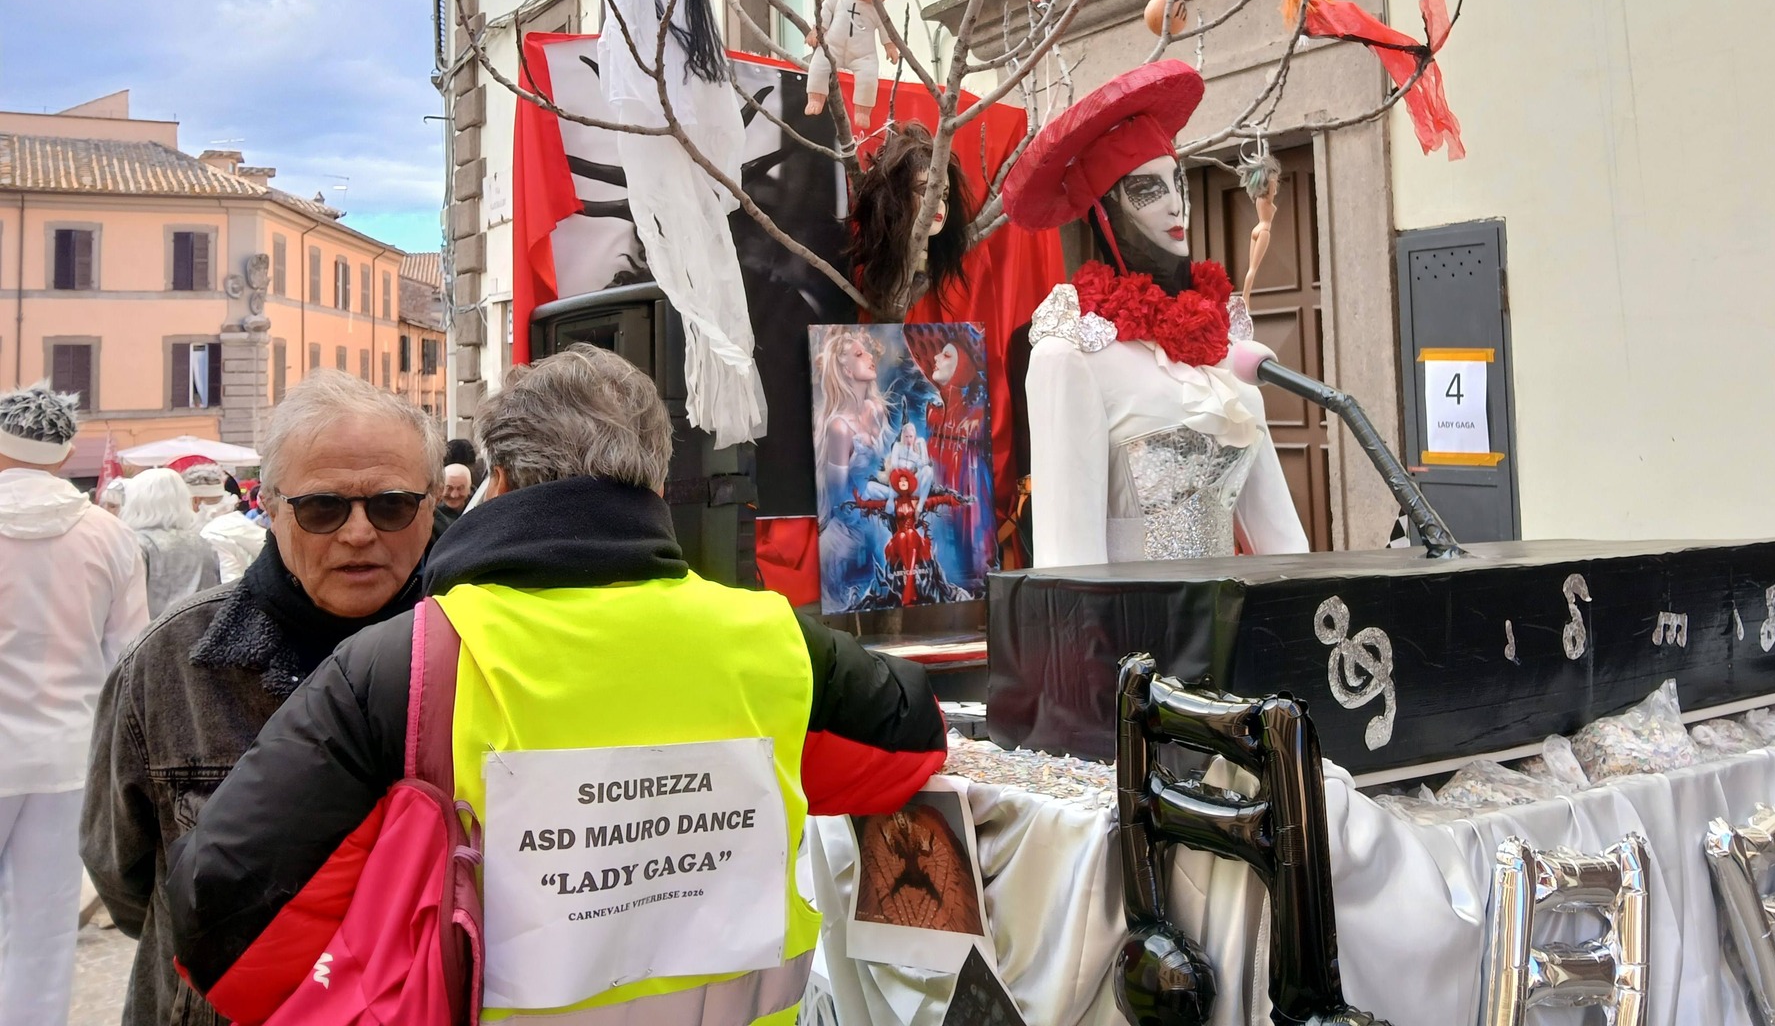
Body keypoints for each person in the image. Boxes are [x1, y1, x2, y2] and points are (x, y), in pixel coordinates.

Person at [168, 343, 945, 1024]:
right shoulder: (773, 639)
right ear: (656, 481)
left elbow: (222, 921)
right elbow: (910, 743)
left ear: (500, 481)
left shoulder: (407, 660)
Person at [84, 371, 439, 1026]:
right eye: (323, 508)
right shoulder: (172, 662)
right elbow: (124, 876)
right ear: (270, 507)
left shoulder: (479, 653)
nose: (358, 533)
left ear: (432, 504)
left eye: (390, 506)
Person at [1007, 59, 1311, 566]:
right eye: (1147, 189)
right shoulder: (1073, 356)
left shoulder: (1228, 349)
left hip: (1232, 612)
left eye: (1178, 184)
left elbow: (1285, 546)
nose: (1175, 205)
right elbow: (1068, 563)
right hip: (1138, 617)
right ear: (1104, 213)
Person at [0, 384, 148, 1026]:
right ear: (64, 455)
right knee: (46, 924)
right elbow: (128, 657)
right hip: (69, 751)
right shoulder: (110, 536)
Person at [118, 466, 221, 617]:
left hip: (154, 628)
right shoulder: (203, 543)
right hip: (202, 626)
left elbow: (129, 602)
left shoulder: (137, 544)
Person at [433, 459, 473, 539]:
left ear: (469, 489)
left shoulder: (479, 504)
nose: (454, 495)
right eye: (449, 488)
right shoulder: (431, 514)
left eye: (460, 488)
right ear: (440, 488)